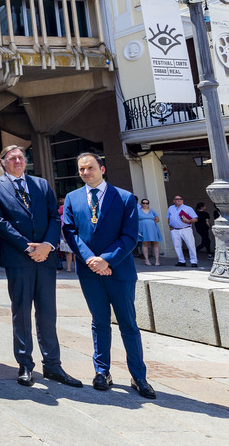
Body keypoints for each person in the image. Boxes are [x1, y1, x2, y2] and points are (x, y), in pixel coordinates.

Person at [0, 146, 82, 388]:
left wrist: (48, 245)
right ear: (2, 162)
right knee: (21, 312)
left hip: (46, 258)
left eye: (21, 158)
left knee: (48, 312)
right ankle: (25, 364)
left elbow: (54, 216)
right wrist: (28, 247)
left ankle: (53, 364)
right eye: (12, 158)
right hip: (18, 258)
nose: (18, 161)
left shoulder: (41, 184)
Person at [63, 152, 154, 398]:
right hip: (90, 272)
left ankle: (139, 376)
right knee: (99, 322)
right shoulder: (72, 198)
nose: (85, 172)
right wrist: (92, 261)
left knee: (128, 324)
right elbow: (70, 233)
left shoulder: (124, 198)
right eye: (81, 169)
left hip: (119, 271)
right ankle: (102, 371)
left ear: (102, 169)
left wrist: (107, 260)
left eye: (90, 168)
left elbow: (130, 236)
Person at [167, 195, 198, 267]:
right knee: (177, 246)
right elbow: (168, 217)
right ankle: (181, 261)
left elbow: (195, 219)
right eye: (177, 199)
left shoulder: (188, 208)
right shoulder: (171, 208)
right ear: (174, 201)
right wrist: (170, 226)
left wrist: (188, 220)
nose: (179, 200)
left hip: (186, 229)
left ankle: (194, 261)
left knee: (190, 245)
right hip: (175, 230)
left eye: (180, 199)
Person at [137, 199, 161, 266]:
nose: (145, 204)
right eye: (143, 203)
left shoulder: (152, 211)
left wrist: (151, 223)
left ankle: (157, 260)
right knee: (145, 243)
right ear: (141, 203)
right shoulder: (138, 211)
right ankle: (146, 260)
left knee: (155, 243)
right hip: (143, 229)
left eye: (147, 203)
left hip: (153, 229)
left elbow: (157, 219)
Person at [58, 200, 75, 272]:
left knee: (72, 253)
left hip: (73, 235)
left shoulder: (74, 216)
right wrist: (64, 237)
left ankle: (72, 267)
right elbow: (62, 228)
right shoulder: (62, 217)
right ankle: (69, 267)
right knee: (70, 252)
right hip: (67, 236)